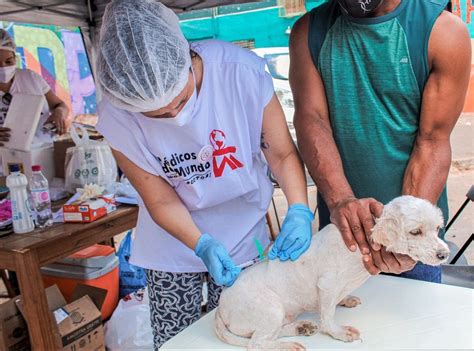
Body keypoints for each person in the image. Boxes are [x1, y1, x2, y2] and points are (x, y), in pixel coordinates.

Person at [96, 0, 313, 348]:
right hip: (171, 243)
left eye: (182, 101)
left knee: (243, 334)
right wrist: (202, 243)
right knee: (177, 341)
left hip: (244, 231)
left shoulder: (239, 72)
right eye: (158, 115)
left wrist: (300, 209)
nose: (176, 116)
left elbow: (283, 154)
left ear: (186, 58)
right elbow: (160, 198)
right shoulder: (116, 114)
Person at [291, 0, 471, 282]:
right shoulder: (309, 32)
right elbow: (311, 120)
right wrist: (342, 202)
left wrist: (407, 238)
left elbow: (432, 140)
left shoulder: (442, 32)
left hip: (414, 241)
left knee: (417, 322)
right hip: (344, 236)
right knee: (343, 323)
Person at [0, 29, 70, 147]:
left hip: (41, 152)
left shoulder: (31, 78)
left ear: (15, 57)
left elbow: (60, 105)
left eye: (9, 61)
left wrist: (59, 113)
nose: (3, 67)